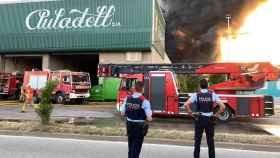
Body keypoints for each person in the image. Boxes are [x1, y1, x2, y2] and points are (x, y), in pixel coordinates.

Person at [184, 79, 225, 158]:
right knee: (210, 141)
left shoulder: (196, 95)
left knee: (197, 141)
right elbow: (223, 107)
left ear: (200, 86)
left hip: (199, 119)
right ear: (207, 85)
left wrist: (191, 114)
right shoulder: (212, 94)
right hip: (210, 120)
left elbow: (186, 104)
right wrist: (216, 115)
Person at [120, 81, 152, 158]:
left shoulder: (127, 98)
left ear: (134, 88)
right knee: (136, 148)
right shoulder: (144, 101)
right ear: (142, 89)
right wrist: (148, 118)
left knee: (130, 146)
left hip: (129, 125)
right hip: (139, 127)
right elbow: (149, 118)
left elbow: (122, 113)